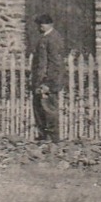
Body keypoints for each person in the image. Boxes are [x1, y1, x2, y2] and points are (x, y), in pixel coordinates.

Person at [30, 14, 66, 142]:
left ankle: (52, 138)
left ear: (51, 24)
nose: (40, 27)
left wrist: (48, 83)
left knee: (48, 109)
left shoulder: (53, 39)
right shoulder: (44, 38)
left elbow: (55, 63)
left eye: (43, 24)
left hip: (47, 81)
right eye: (39, 24)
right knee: (39, 108)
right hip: (40, 80)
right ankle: (43, 136)